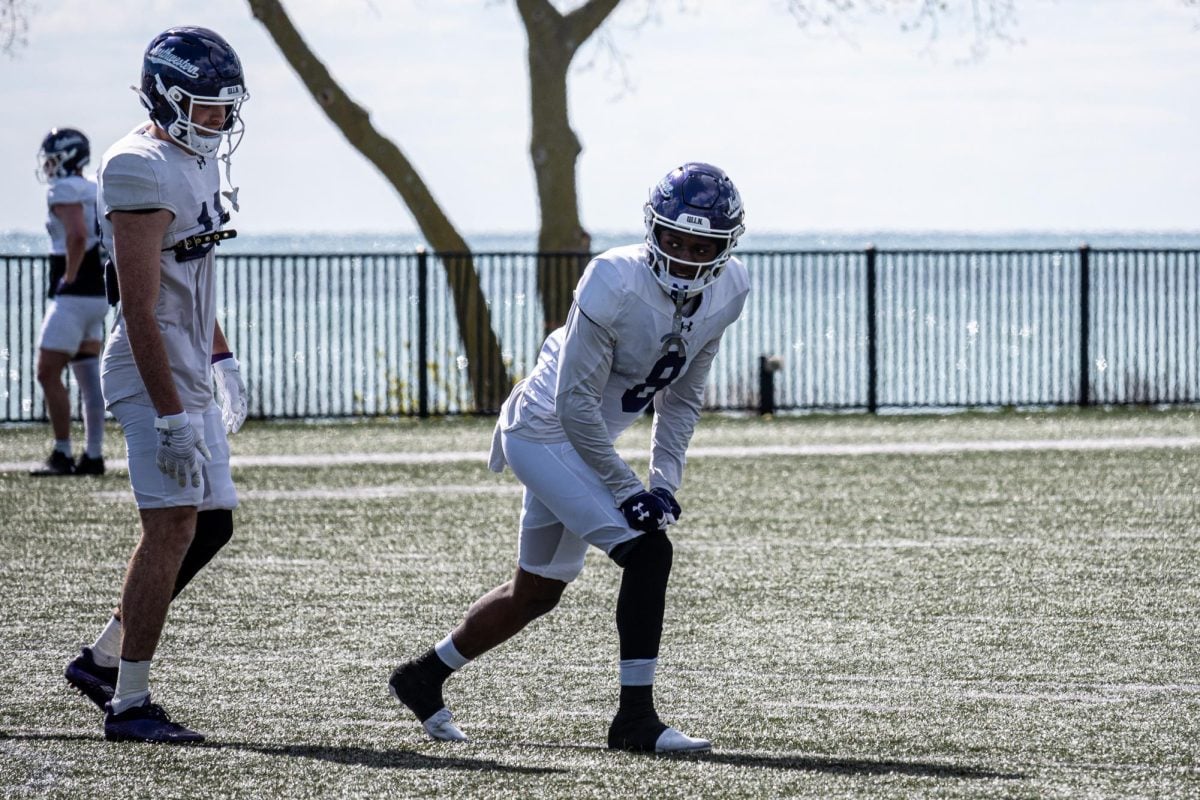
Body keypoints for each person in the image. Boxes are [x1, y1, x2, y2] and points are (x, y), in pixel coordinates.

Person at [389, 162, 749, 753]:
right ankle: (634, 720)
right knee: (648, 552)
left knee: (536, 592)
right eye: (673, 239)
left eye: (701, 244)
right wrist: (629, 488)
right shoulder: (614, 278)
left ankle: (422, 675)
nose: (685, 255)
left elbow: (682, 397)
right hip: (543, 430)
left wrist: (665, 482)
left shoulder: (731, 288)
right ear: (652, 231)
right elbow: (574, 402)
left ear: (725, 246)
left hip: (584, 440)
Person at [61, 26, 250, 744]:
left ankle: (102, 660)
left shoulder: (196, 163)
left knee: (211, 524)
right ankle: (128, 702)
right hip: (150, 373)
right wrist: (170, 414)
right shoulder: (136, 165)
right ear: (167, 99)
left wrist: (223, 358)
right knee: (170, 525)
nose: (220, 123)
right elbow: (138, 306)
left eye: (226, 109)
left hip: (189, 365)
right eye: (205, 109)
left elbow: (193, 279)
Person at [30, 128, 108, 476]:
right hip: (98, 292)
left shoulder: (64, 189)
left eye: (52, 159)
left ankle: (62, 453)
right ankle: (93, 455)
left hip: (75, 294)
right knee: (89, 378)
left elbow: (77, 234)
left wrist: (70, 275)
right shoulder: (94, 187)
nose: (48, 167)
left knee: (47, 371)